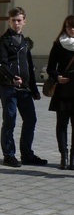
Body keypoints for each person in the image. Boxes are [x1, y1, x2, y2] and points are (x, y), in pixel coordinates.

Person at [0, 7, 47, 167]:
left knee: (31, 119)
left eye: (19, 20)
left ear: (24, 22)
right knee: (10, 120)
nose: (16, 23)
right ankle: (9, 155)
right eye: (13, 20)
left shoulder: (25, 42)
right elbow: (2, 64)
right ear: (9, 21)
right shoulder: (3, 41)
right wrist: (12, 78)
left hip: (24, 88)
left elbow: (29, 66)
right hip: (7, 87)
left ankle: (27, 154)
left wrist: (34, 89)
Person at [46, 15, 74, 170]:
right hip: (63, 91)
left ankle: (73, 159)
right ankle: (64, 156)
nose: (72, 30)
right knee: (62, 125)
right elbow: (51, 67)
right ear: (65, 28)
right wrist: (57, 76)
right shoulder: (58, 45)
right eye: (69, 27)